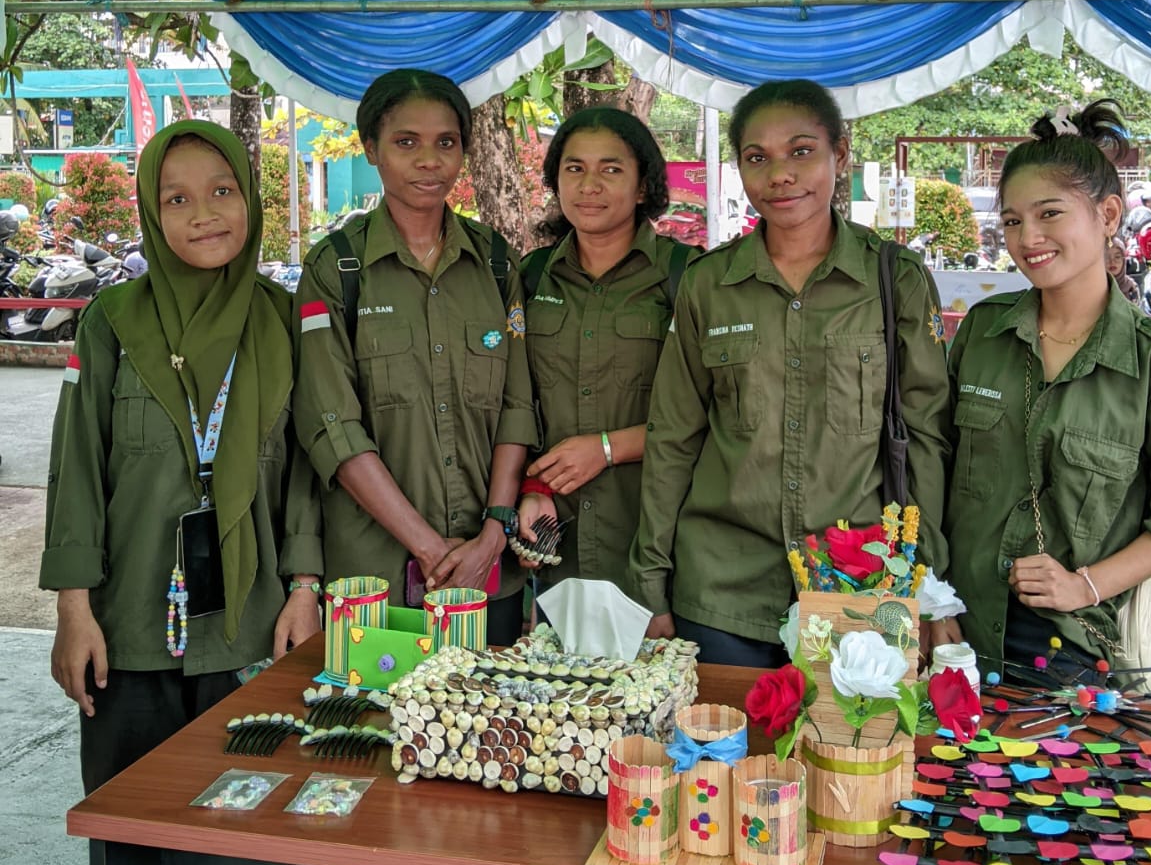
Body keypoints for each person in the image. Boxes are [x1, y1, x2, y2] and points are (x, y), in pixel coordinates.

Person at [629, 79, 954, 667]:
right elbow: (673, 438)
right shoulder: (708, 284)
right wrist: (651, 583)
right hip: (722, 589)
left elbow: (925, 439)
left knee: (854, 755)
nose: (780, 174)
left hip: (860, 585)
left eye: (801, 151)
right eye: (758, 158)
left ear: (841, 154)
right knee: (722, 756)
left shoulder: (895, 279)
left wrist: (930, 590)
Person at [42, 121, 323, 793]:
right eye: (177, 199)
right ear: (150, 210)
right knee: (132, 835)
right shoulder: (111, 320)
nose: (204, 215)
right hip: (130, 630)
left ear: (249, 200)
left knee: (244, 836)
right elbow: (76, 468)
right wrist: (74, 611)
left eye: (222, 191)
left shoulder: (284, 322)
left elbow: (306, 470)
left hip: (254, 628)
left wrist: (306, 587)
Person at [944, 100, 1151, 686]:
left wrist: (1085, 584)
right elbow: (932, 461)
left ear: (1108, 214)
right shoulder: (982, 332)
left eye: (1050, 214)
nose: (1029, 238)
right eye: (1014, 220)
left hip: (1069, 648)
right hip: (958, 629)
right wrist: (930, 601)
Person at [291, 70, 538, 645]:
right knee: (375, 731)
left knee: (483, 729)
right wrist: (430, 548)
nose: (430, 160)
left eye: (446, 142)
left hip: (486, 575)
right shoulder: (336, 269)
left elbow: (516, 407)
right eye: (407, 142)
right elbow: (333, 428)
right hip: (375, 580)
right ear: (371, 149)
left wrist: (493, 534)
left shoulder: (497, 264)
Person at [516, 107, 693, 591]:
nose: (589, 185)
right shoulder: (530, 278)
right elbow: (515, 399)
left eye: (610, 170)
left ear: (642, 187)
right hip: (558, 540)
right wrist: (532, 487)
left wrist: (608, 449)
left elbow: (716, 412)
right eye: (574, 168)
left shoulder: (688, 277)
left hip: (660, 539)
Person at [1105, 236, 1140, 303]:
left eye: (1117, 257)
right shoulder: (1097, 288)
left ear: (1124, 260)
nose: (1112, 262)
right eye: (1106, 257)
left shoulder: (1131, 287)